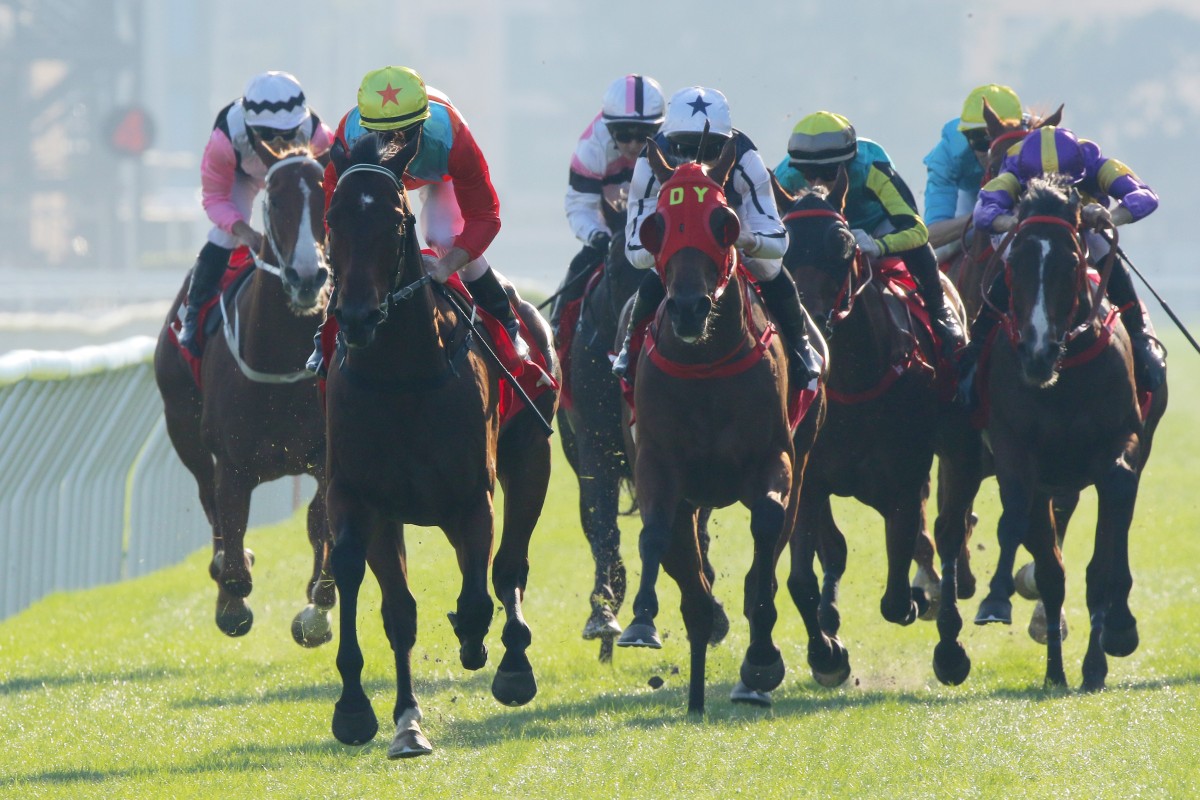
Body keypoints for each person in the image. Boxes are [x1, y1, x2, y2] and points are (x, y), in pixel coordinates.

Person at [309, 65, 526, 371]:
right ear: (365, 126)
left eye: (404, 134)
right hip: (382, 179)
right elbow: (335, 195)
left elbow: (485, 216)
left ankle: (504, 320)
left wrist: (447, 265)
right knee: (359, 236)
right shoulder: (349, 134)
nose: (394, 143)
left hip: (440, 174)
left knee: (442, 237)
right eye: (382, 135)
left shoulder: (454, 138)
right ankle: (328, 333)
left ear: (422, 123)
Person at [612, 86, 822, 386]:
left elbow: (777, 242)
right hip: (678, 239)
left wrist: (745, 240)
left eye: (710, 150)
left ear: (725, 147)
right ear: (668, 142)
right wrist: (670, 246)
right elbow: (635, 252)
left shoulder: (746, 157)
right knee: (666, 272)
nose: (693, 159)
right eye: (681, 148)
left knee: (769, 267)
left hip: (729, 231)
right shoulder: (650, 161)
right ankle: (629, 348)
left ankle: (800, 346)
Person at [959, 125, 1166, 394]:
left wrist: (1109, 217)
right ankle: (976, 349)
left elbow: (1145, 196)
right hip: (1032, 228)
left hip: (1084, 226)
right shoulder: (1014, 166)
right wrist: (1013, 221)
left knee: (1105, 253)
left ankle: (1139, 339)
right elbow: (983, 212)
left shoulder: (1093, 160)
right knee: (1019, 262)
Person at [776, 111, 966, 358]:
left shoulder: (871, 166)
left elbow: (917, 230)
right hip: (823, 231)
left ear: (847, 163)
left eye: (829, 173)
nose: (817, 183)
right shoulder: (786, 176)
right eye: (809, 174)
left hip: (876, 227)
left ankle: (940, 311)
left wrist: (878, 245)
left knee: (918, 248)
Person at [180, 71, 334, 356]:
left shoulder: (318, 135)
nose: (277, 142)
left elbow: (336, 184)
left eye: (287, 134)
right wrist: (244, 231)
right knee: (224, 238)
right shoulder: (224, 139)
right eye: (266, 135)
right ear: (250, 126)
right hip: (243, 178)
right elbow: (214, 198)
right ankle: (193, 315)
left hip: (293, 179)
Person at [551, 74, 666, 336]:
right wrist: (598, 236)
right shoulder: (591, 148)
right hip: (611, 226)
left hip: (658, 225)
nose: (634, 145)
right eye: (624, 135)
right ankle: (559, 330)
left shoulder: (671, 144)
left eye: (644, 135)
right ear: (609, 128)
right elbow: (580, 206)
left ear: (658, 129)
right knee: (580, 268)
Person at [923, 84, 1026, 253]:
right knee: (940, 253)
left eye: (996, 137)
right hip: (972, 198)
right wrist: (982, 215)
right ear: (965, 137)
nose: (990, 151)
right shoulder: (946, 155)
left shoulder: (1036, 139)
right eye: (980, 139)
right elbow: (931, 236)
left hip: (1020, 197)